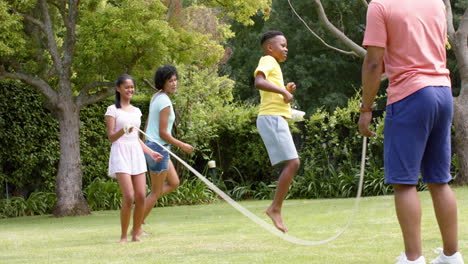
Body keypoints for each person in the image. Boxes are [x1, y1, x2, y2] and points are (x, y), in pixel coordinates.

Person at [359, 1, 464, 263]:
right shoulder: (436, 3)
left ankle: (413, 258)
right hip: (442, 91)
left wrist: (366, 108)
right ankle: (451, 256)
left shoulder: (380, 6)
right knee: (439, 180)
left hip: (410, 95)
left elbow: (374, 63)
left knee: (404, 182)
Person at [105, 74, 163, 243]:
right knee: (129, 196)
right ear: (118, 89)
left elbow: (137, 138)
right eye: (126, 87)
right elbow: (110, 137)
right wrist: (123, 130)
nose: (130, 90)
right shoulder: (112, 110)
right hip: (120, 152)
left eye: (132, 87)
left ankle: (135, 233)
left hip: (136, 153)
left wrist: (150, 153)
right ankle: (123, 236)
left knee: (140, 195)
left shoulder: (137, 111)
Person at [254, 31, 300, 233]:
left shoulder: (275, 65)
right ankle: (275, 208)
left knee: (293, 162)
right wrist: (283, 91)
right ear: (269, 48)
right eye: (282, 45)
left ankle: (275, 207)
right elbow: (259, 82)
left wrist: (285, 88)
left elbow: (269, 87)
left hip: (275, 117)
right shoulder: (267, 60)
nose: (286, 48)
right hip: (271, 118)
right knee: (293, 162)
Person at [142, 65, 194, 227]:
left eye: (175, 80)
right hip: (158, 148)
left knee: (174, 183)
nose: (174, 83)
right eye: (170, 81)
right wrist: (183, 145)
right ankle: (137, 222)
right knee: (155, 192)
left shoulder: (157, 97)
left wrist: (144, 144)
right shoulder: (164, 101)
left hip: (156, 147)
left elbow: (148, 125)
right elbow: (163, 133)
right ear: (162, 83)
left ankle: (139, 211)